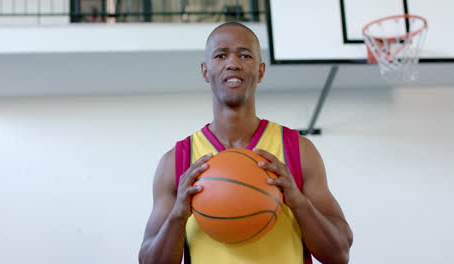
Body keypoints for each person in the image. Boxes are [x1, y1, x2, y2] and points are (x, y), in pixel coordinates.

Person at [138, 22, 353, 264]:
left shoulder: (298, 150)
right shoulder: (177, 162)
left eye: (245, 55)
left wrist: (298, 202)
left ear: (261, 71)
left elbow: (339, 254)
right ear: (205, 71)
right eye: (221, 55)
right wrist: (178, 215)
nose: (233, 63)